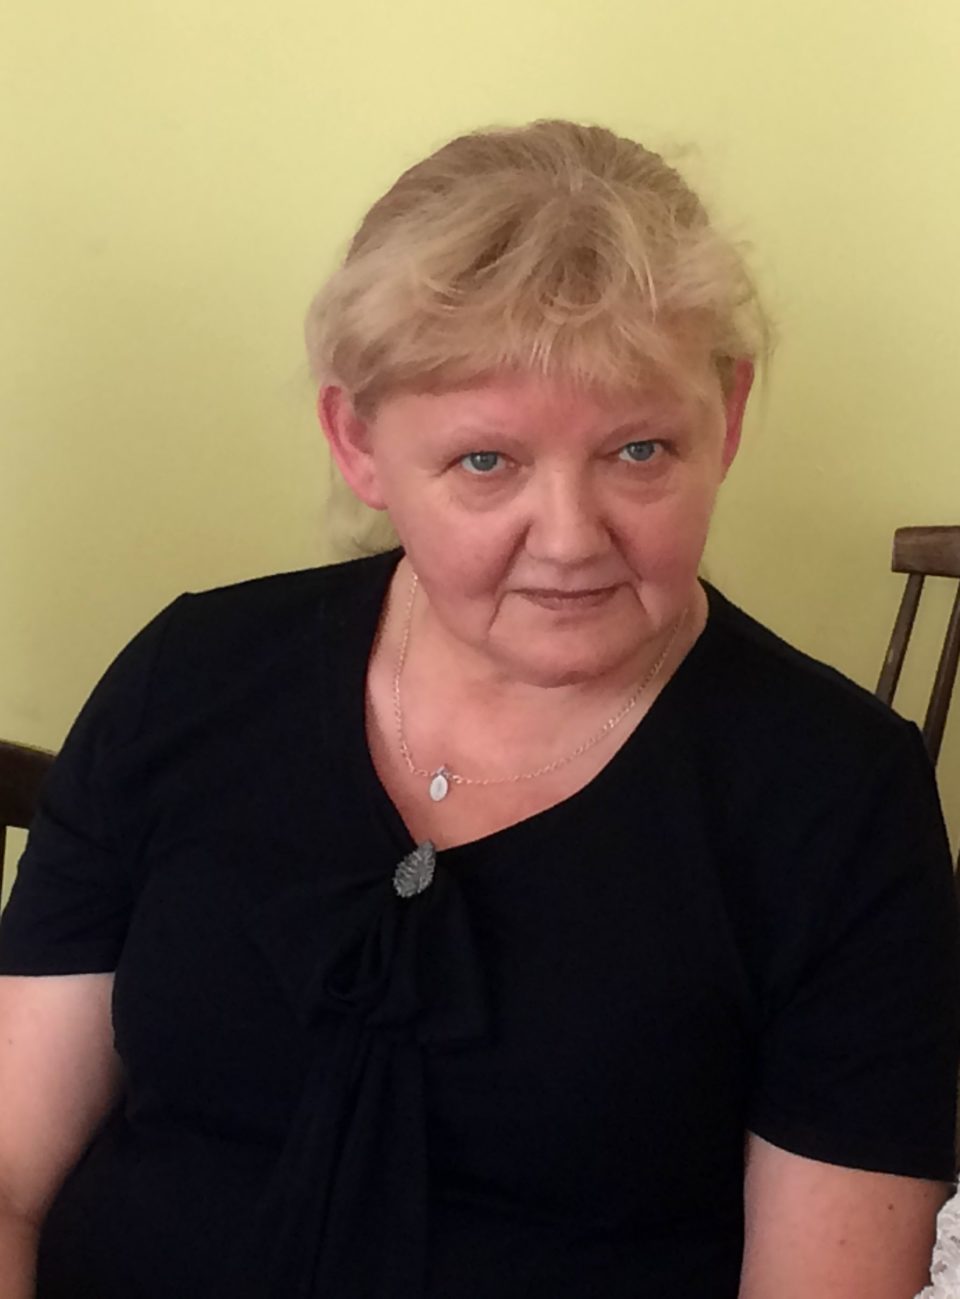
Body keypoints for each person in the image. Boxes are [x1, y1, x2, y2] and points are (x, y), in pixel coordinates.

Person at [0, 120, 957, 1299]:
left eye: (640, 450)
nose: (570, 539)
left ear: (730, 413)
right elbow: (7, 1173)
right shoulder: (190, 675)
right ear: (358, 443)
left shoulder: (837, 797)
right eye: (486, 463)